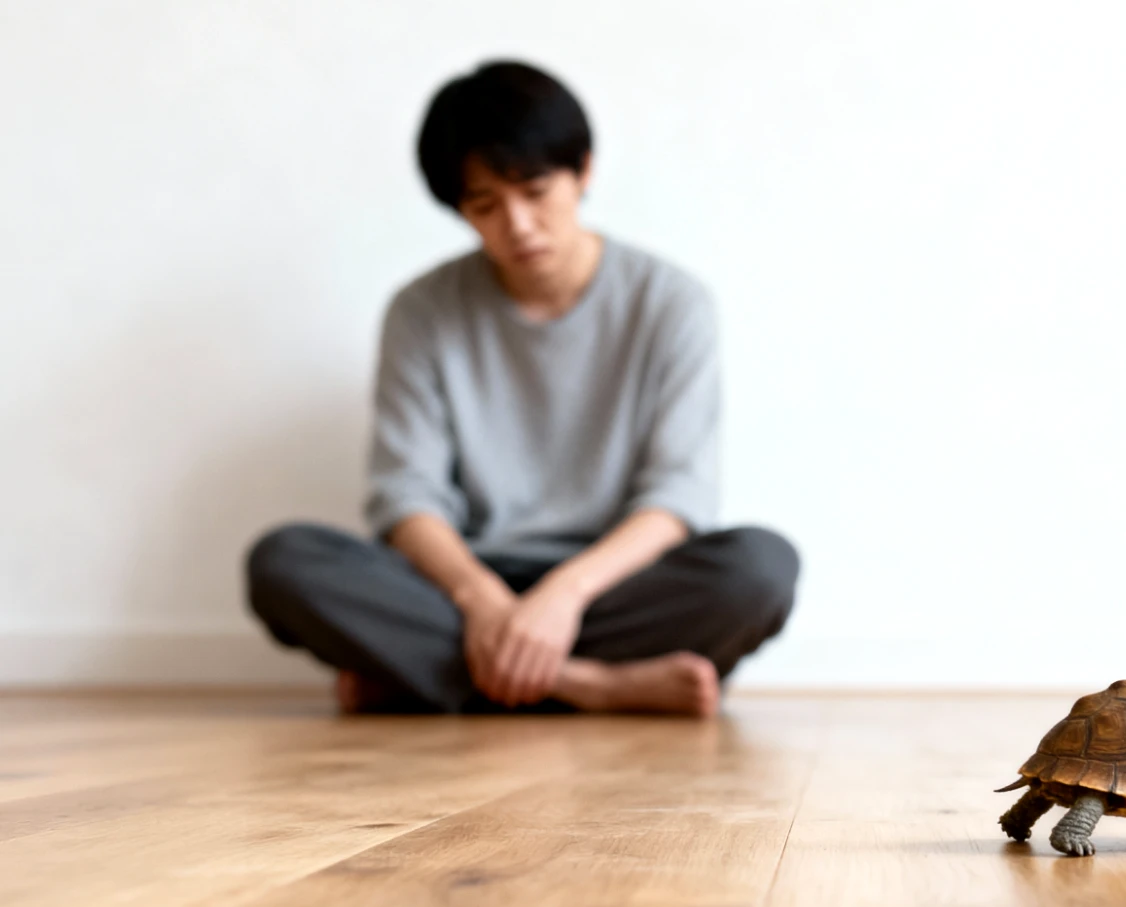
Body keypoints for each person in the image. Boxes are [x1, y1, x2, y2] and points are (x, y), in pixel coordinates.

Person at [244, 61, 799, 716]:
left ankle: (426, 678)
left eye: (535, 190)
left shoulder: (671, 302)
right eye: (484, 205)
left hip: (609, 584)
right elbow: (405, 494)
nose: (518, 225)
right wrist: (483, 601)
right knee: (284, 561)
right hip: (462, 585)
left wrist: (561, 596)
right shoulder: (422, 311)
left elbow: (676, 497)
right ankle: (591, 686)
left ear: (583, 171)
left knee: (758, 568)